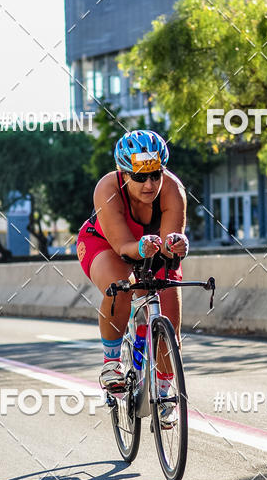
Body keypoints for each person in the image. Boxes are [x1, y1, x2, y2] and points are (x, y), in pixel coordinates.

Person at [77, 130, 189, 401]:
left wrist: (176, 245)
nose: (149, 184)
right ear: (124, 174)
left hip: (151, 249)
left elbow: (169, 245)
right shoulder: (107, 188)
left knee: (170, 330)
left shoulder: (174, 190)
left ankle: (165, 396)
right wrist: (140, 248)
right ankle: (112, 362)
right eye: (139, 177)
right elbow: (122, 246)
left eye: (156, 174)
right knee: (121, 287)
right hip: (106, 245)